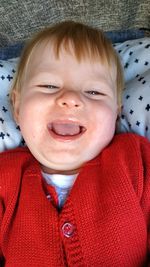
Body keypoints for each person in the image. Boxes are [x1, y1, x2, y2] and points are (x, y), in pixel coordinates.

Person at [0, 20, 150, 267]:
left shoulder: (136, 161)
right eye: (48, 86)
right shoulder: (5, 178)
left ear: (115, 112)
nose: (70, 99)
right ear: (16, 106)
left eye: (94, 92)